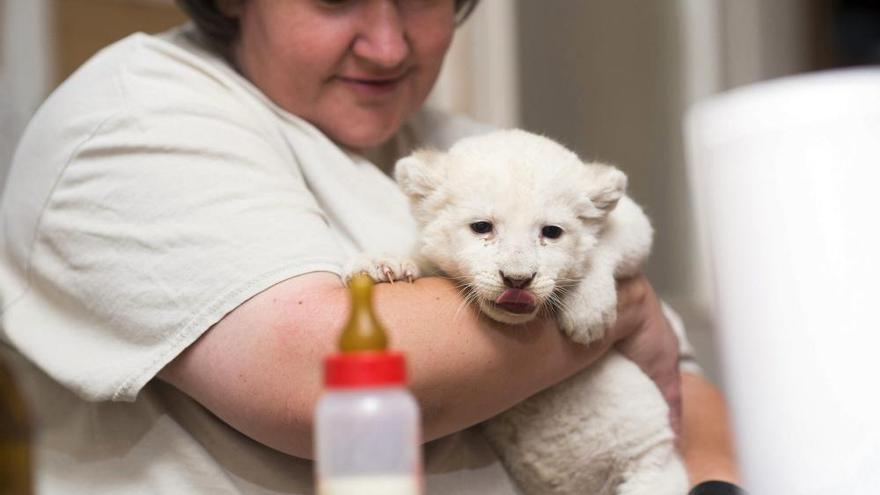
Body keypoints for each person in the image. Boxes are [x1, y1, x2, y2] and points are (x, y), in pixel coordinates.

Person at [0, 0, 742, 493]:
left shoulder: (470, 150)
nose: (388, 45)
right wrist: (623, 301)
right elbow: (323, 371)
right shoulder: (136, 117)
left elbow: (677, 378)